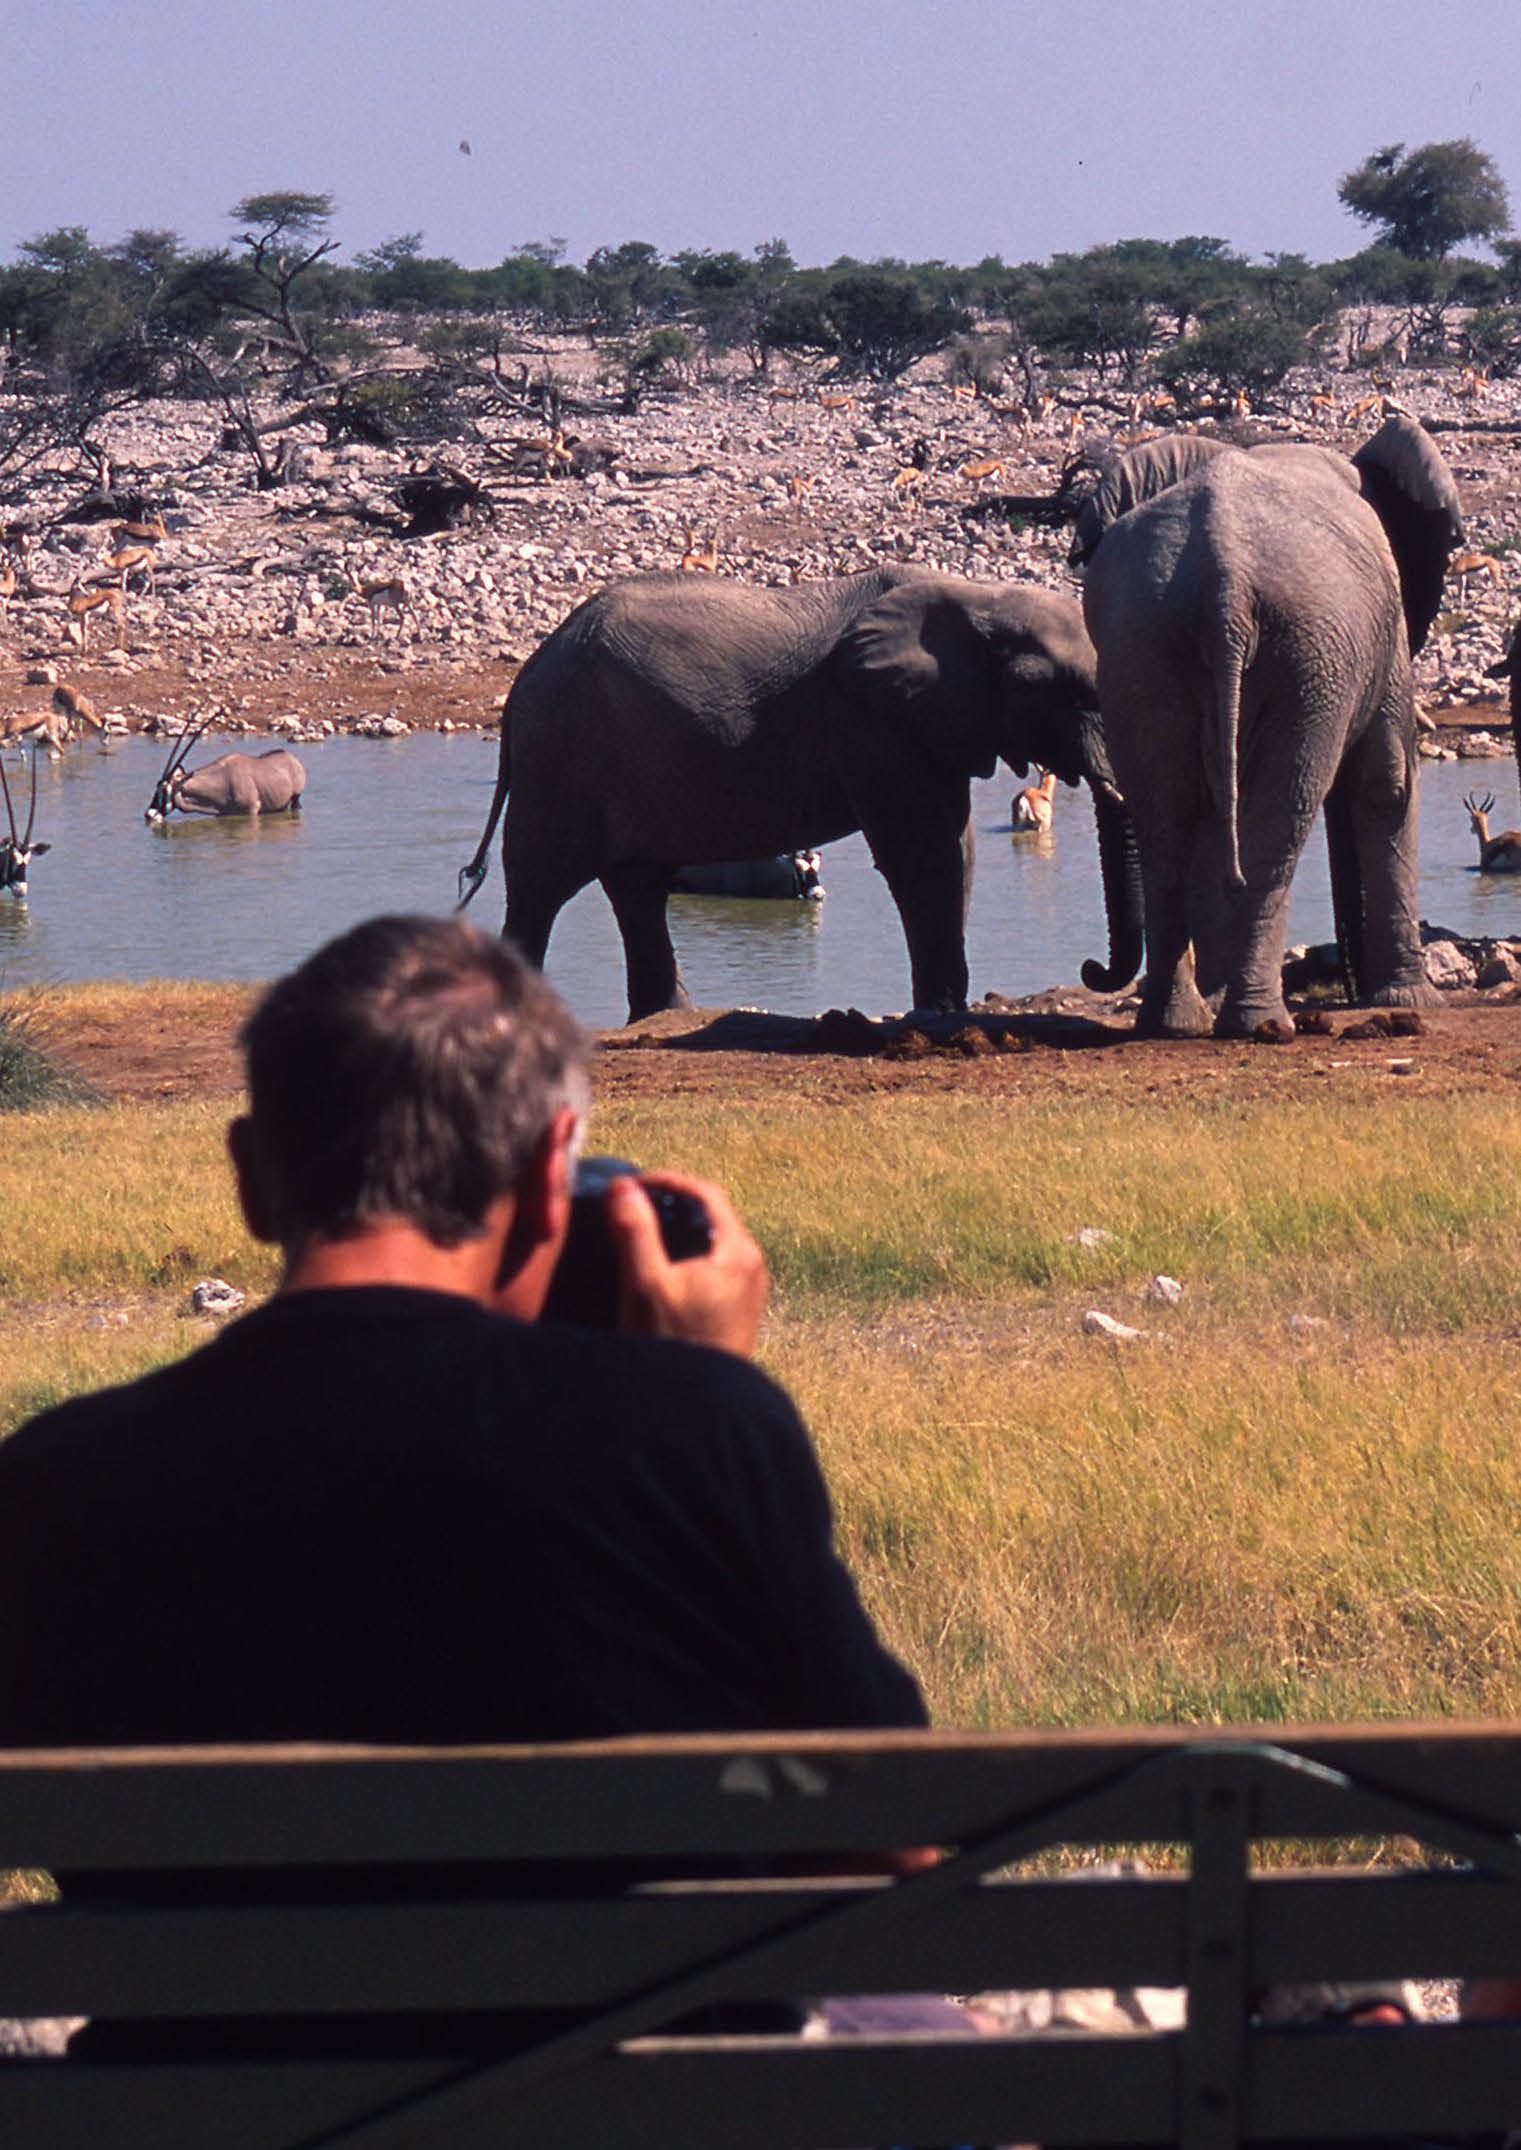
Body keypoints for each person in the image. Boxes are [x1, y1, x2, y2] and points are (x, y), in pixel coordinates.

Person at [0, 913, 924, 1748]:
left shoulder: (50, 1480)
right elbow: (903, 1834)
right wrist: (692, 1401)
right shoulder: (694, 1436)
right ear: (546, 1176)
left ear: (250, 1178)